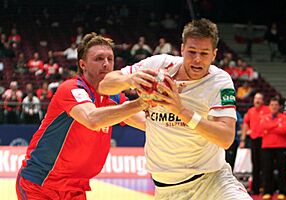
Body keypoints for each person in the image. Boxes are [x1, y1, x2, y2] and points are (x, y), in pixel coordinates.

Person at [99, 18, 251, 199]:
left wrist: (181, 110)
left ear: (214, 54)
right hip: (167, 190)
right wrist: (130, 80)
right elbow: (104, 85)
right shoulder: (158, 66)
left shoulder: (220, 81)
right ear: (181, 49)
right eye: (192, 51)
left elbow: (225, 138)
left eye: (204, 54)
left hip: (213, 181)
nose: (197, 59)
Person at [15, 32, 149, 200]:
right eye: (99, 59)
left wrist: (163, 103)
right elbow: (92, 119)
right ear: (83, 64)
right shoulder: (71, 88)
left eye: (110, 59)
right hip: (41, 184)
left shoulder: (115, 97)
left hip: (74, 188)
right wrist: (140, 102)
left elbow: (145, 122)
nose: (106, 64)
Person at [240, 92, 270, 195]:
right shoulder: (250, 111)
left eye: (259, 99)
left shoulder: (267, 110)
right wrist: (243, 140)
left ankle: (266, 188)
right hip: (254, 140)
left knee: (265, 165)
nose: (257, 101)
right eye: (255, 99)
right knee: (255, 164)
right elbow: (245, 124)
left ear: (262, 100)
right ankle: (255, 189)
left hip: (265, 140)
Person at [260, 97, 286, 200]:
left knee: (282, 170)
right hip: (267, 147)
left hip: (281, 147)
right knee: (267, 170)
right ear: (269, 106)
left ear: (279, 106)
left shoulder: (284, 117)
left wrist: (270, 128)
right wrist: (276, 125)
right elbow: (263, 127)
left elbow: (284, 130)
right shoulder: (264, 117)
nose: (274, 107)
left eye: (276, 105)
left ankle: (283, 191)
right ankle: (268, 191)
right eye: (272, 105)